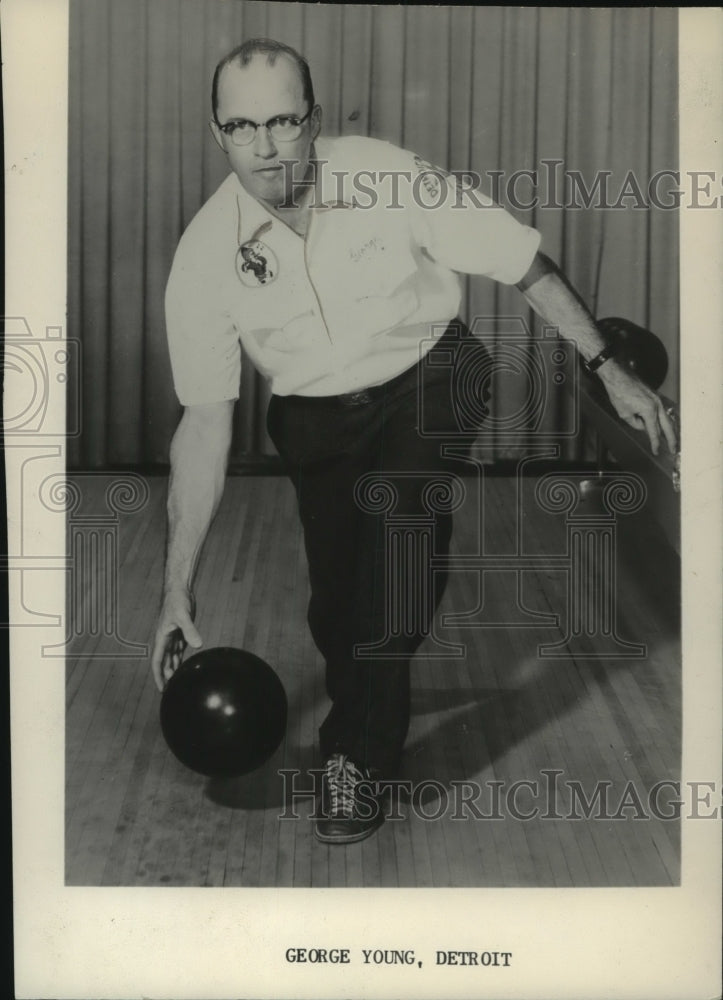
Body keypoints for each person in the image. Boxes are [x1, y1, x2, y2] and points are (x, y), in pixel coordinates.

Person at [151, 38, 676, 845]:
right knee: (339, 609)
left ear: (314, 120)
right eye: (242, 126)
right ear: (217, 131)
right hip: (315, 419)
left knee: (396, 553)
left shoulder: (386, 176)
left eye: (283, 122)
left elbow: (520, 261)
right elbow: (204, 422)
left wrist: (608, 368)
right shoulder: (201, 259)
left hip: (431, 377)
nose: (264, 147)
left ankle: (354, 758)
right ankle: (366, 675)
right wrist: (175, 592)